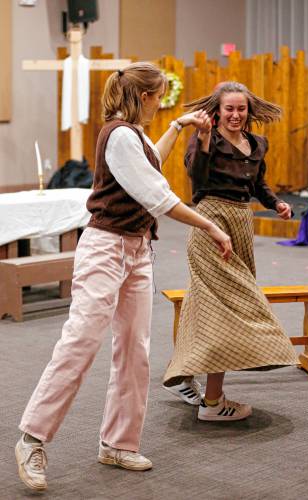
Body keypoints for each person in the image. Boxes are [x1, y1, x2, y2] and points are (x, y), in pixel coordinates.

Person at [15, 62, 233, 492]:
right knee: (81, 341)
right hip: (105, 249)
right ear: (145, 97)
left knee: (136, 350)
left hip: (136, 251)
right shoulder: (117, 134)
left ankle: (118, 442)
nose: (159, 105)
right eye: (159, 98)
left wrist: (177, 127)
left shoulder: (131, 137)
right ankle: (32, 439)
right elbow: (158, 195)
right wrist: (209, 225)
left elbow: (149, 162)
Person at [163, 81, 298, 421]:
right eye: (229, 109)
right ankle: (211, 403)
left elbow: (258, 184)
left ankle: (182, 374)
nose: (235, 115)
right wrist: (205, 139)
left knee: (206, 304)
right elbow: (195, 177)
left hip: (240, 224)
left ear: (248, 112)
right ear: (217, 111)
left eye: (241, 109)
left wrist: (276, 203)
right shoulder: (206, 138)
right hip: (210, 222)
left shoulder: (257, 143)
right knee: (226, 307)